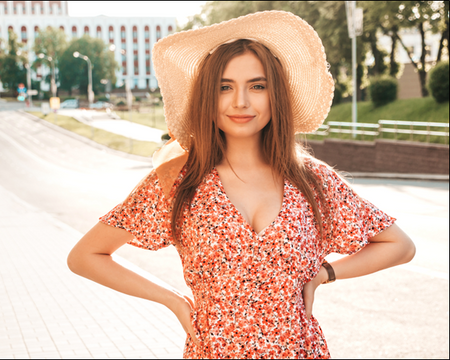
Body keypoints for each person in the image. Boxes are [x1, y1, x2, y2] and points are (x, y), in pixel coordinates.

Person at [67, 11, 416, 359]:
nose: (241, 102)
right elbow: (86, 256)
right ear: (208, 96)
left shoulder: (312, 179)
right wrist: (172, 299)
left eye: (257, 86)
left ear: (275, 94)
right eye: (225, 87)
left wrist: (324, 273)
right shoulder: (179, 180)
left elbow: (399, 245)